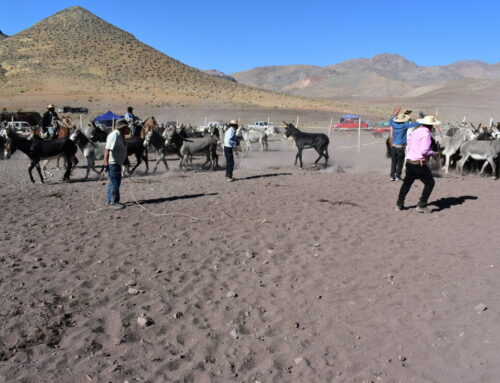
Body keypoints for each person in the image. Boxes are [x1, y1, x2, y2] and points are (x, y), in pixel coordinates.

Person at [396, 115, 440, 213]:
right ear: (431, 125)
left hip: (409, 161)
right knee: (430, 183)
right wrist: (433, 153)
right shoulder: (426, 134)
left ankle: (399, 204)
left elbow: (410, 144)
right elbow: (424, 150)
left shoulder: (415, 131)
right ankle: (422, 205)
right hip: (419, 163)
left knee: (407, 183)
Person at [388, 106, 420, 181]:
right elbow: (416, 124)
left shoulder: (394, 124)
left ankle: (392, 176)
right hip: (400, 147)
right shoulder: (405, 125)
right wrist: (422, 121)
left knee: (393, 162)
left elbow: (390, 120)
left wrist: (394, 114)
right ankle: (398, 176)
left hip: (393, 147)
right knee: (400, 162)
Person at [103, 119, 129, 209]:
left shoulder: (120, 135)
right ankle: (114, 201)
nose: (127, 129)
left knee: (113, 182)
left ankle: (109, 200)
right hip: (113, 163)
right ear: (123, 127)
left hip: (117, 163)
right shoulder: (114, 135)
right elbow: (107, 149)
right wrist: (105, 163)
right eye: (126, 127)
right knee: (115, 183)